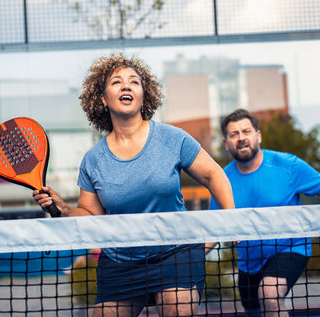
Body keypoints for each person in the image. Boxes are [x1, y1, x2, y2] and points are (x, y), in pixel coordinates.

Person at [34, 54, 235, 317]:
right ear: (103, 99)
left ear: (143, 95)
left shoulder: (172, 138)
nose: (126, 86)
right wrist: (65, 209)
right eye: (116, 82)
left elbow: (214, 176)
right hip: (121, 262)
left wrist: (232, 221)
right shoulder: (93, 160)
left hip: (174, 254)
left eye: (134, 82)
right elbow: (92, 216)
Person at [209, 109, 320, 317]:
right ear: (226, 143)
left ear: (258, 135)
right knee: (254, 311)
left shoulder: (287, 165)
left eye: (246, 131)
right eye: (234, 134)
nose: (241, 138)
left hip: (291, 247)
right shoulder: (221, 181)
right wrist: (191, 255)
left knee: (269, 295)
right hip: (249, 261)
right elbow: (213, 228)